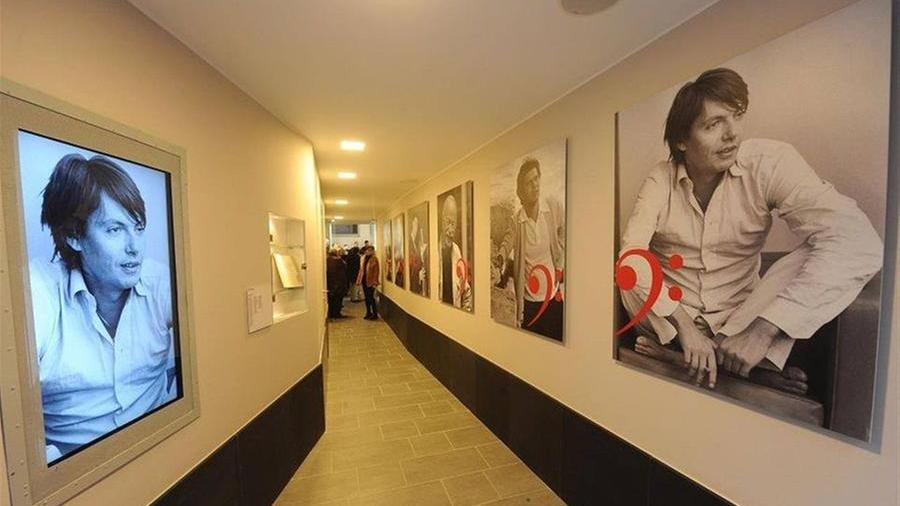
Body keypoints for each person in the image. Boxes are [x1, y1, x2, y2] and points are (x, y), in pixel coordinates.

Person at [619, 67, 883, 393]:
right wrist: (685, 327)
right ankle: (739, 370)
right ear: (682, 141)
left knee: (826, 246)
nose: (732, 134)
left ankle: (694, 361)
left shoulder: (770, 162)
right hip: (670, 324)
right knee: (631, 267)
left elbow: (859, 241)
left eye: (736, 116)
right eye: (713, 124)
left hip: (739, 321)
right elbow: (631, 258)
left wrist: (762, 330)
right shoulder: (660, 179)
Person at [30, 154, 177, 462]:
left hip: (163, 445)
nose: (134, 247)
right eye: (114, 229)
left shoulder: (159, 282)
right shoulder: (40, 291)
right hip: (79, 472)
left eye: (138, 228)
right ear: (74, 236)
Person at [495, 158, 566, 341]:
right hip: (530, 303)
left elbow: (564, 231)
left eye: (536, 179)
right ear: (521, 192)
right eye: (529, 183)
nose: (535, 185)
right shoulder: (517, 221)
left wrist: (560, 262)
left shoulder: (552, 207)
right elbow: (507, 241)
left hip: (553, 298)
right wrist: (500, 257)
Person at [438, 194, 473, 310]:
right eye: (448, 222)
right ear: (442, 222)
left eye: (453, 223)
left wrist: (465, 313)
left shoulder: (457, 251)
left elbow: (466, 290)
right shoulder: (432, 252)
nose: (451, 229)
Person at [357, 246, 381, 319]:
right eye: (367, 250)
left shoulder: (374, 259)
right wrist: (359, 280)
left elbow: (376, 271)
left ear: (372, 251)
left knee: (371, 298)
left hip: (371, 281)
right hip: (364, 280)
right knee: (367, 298)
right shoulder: (364, 258)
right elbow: (361, 270)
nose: (367, 252)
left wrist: (375, 282)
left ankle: (375, 314)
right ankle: (368, 312)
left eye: (369, 250)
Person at [408, 215, 428, 296]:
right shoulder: (408, 243)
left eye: (417, 224)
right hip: (413, 284)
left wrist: (423, 254)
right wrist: (417, 275)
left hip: (417, 285)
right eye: (415, 223)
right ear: (411, 224)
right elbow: (409, 266)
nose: (416, 227)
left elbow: (419, 262)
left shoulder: (416, 243)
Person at [326, 248, 349, 318]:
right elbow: (345, 269)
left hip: (330, 283)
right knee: (338, 299)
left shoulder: (327, 261)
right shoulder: (339, 261)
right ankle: (336, 313)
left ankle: (331, 313)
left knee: (331, 300)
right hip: (339, 283)